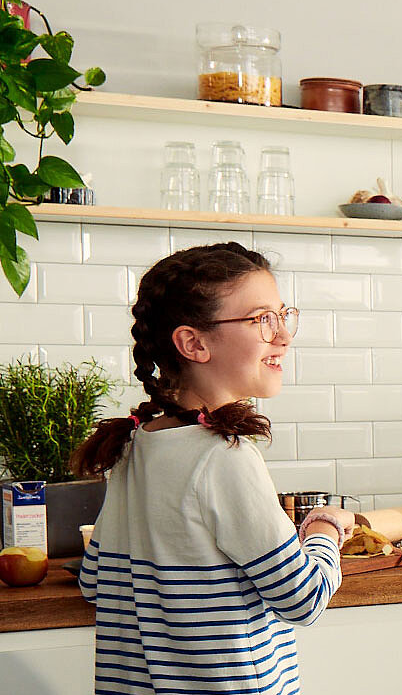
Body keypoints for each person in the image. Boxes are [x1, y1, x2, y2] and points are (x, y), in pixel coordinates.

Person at [73, 242, 354, 695]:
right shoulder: (224, 456)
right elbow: (304, 599)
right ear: (193, 343)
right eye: (262, 319)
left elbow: (94, 582)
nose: (283, 335)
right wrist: (325, 527)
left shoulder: (135, 443)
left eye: (283, 316)